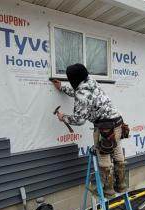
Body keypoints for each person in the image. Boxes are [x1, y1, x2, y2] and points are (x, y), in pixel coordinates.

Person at [52, 63, 128, 198]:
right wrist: (62, 88)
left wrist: (63, 117)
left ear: (73, 78)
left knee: (104, 155)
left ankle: (108, 190)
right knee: (117, 150)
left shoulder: (82, 93)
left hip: (105, 126)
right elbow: (79, 92)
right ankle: (121, 185)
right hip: (117, 121)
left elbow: (79, 120)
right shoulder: (91, 82)